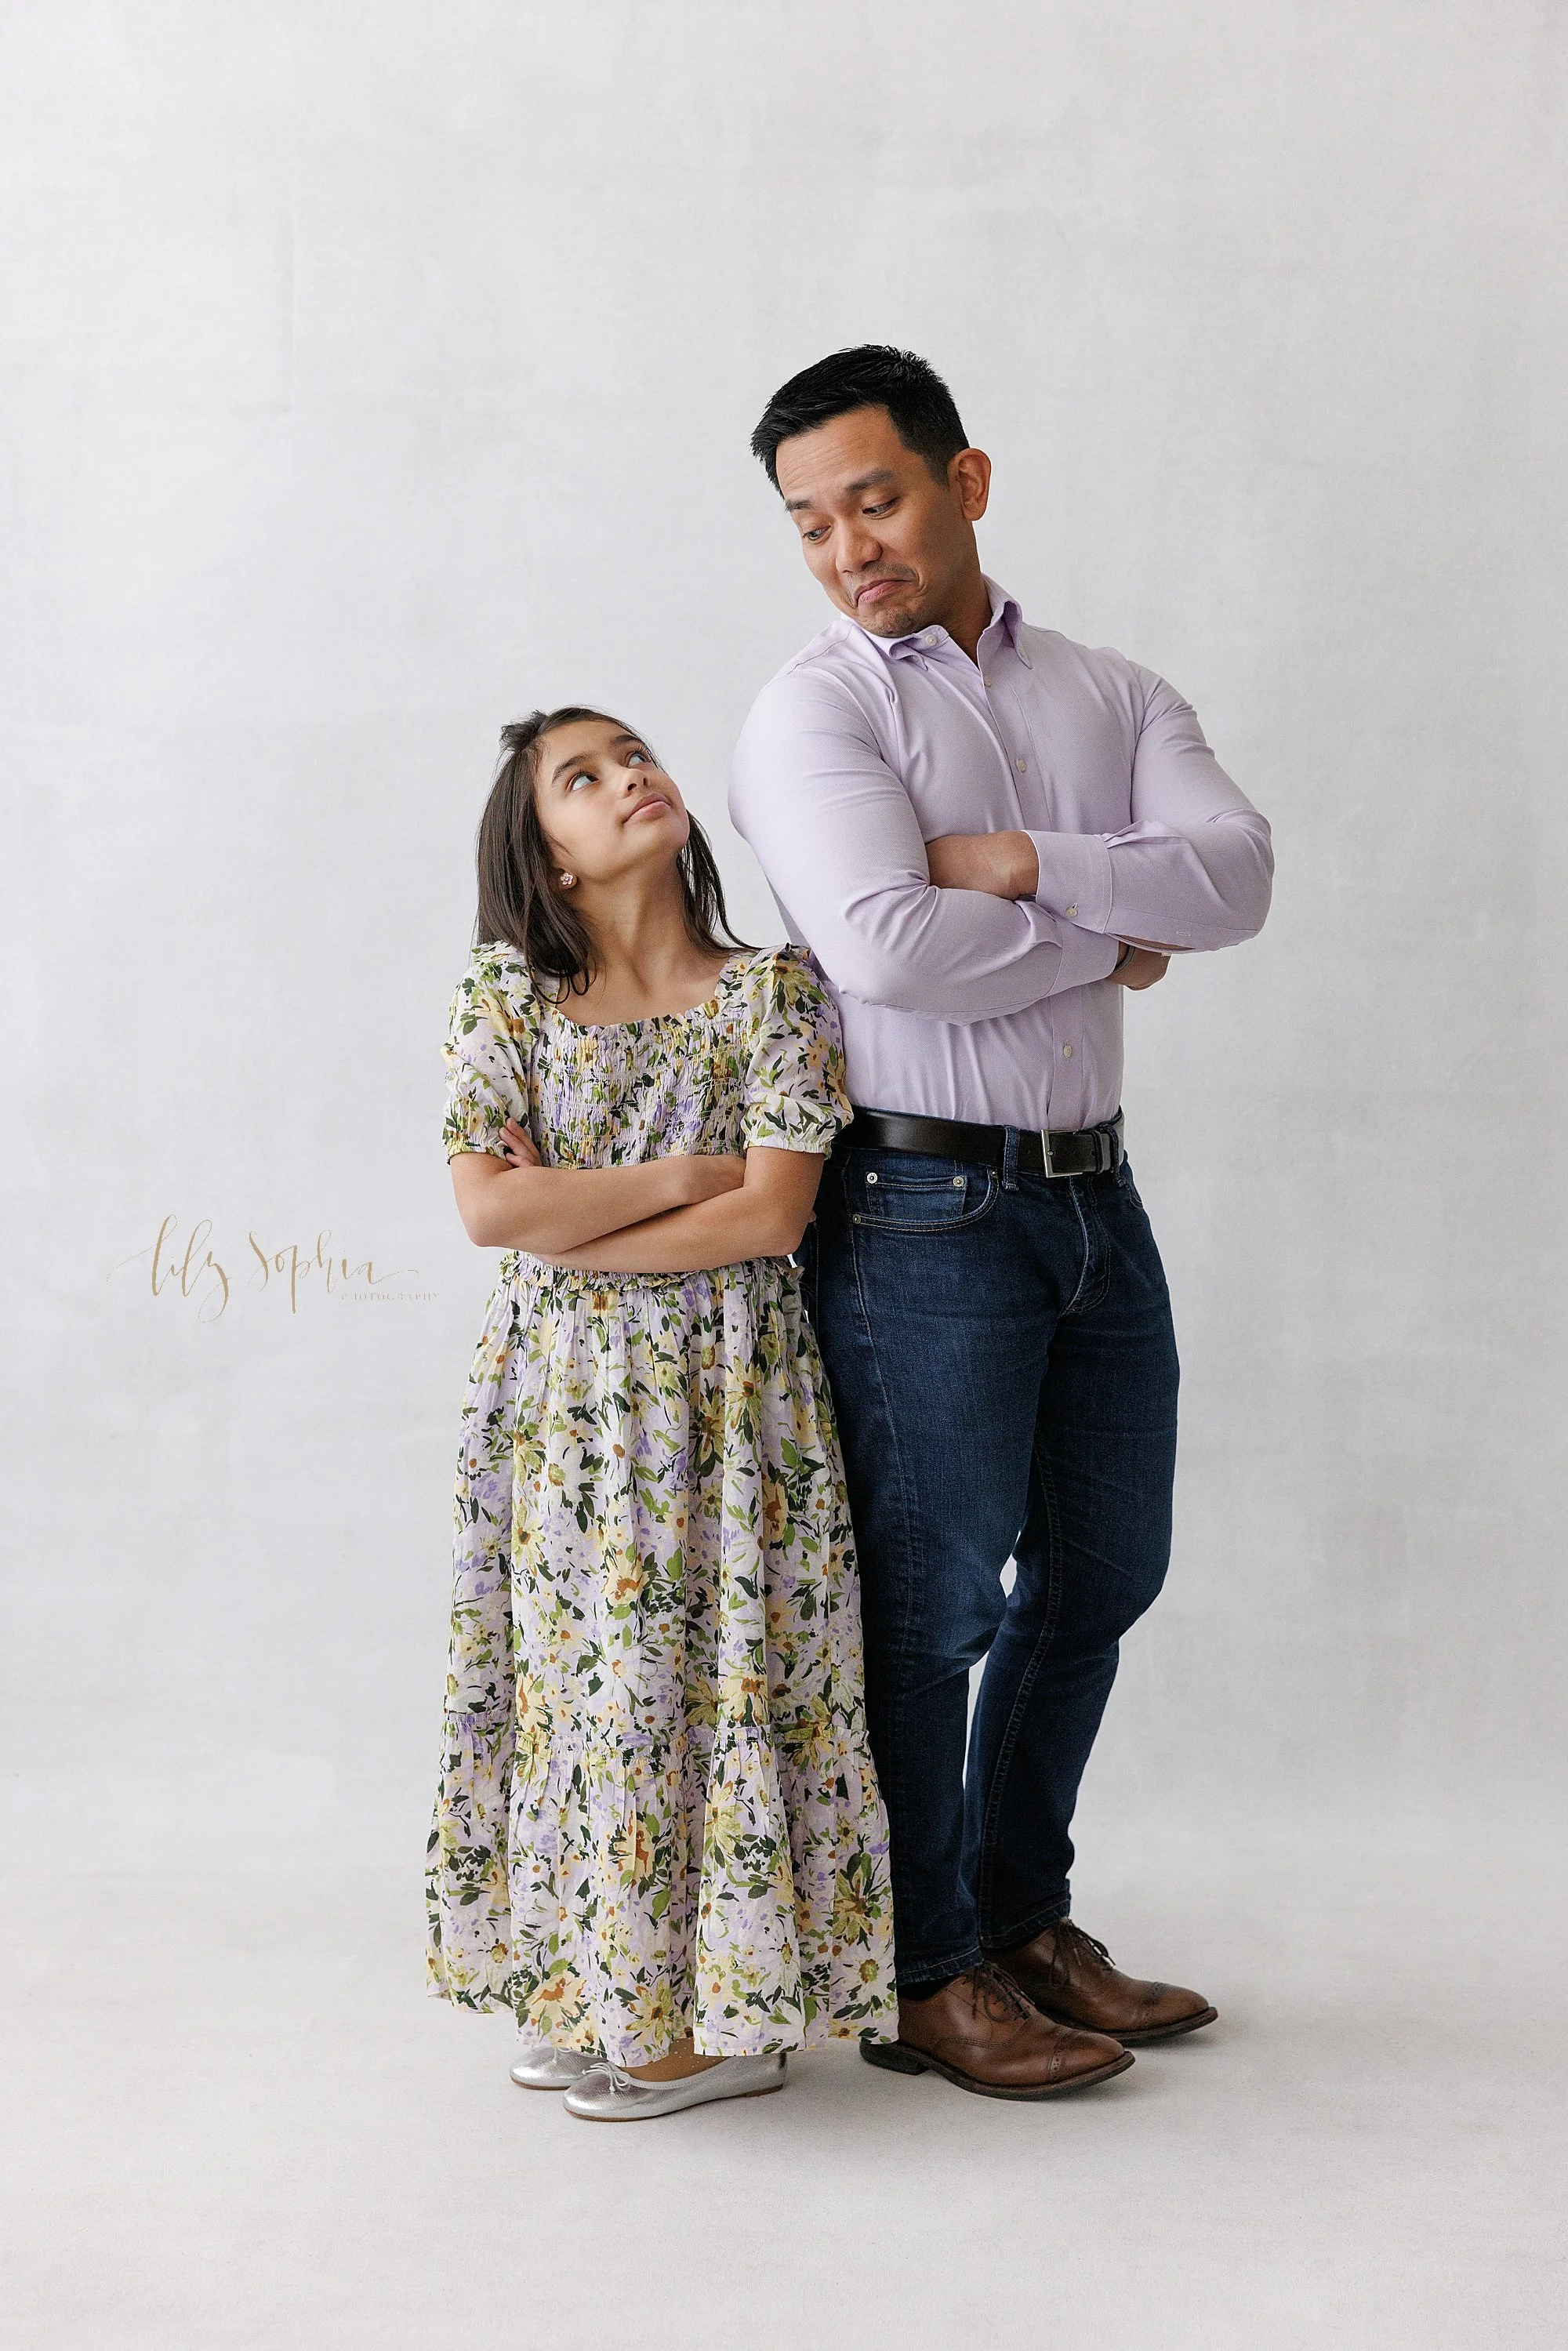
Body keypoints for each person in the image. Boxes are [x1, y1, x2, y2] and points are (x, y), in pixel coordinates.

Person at [730, 346, 1273, 2101]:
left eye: (872, 500)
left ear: (965, 480)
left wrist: (1023, 862)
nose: (845, 548)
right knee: (937, 1599)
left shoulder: (1112, 688)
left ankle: (1024, 1916)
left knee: (1106, 1568)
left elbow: (1238, 873)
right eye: (810, 522)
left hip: (1090, 1191)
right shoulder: (816, 713)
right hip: (916, 1200)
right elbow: (883, 946)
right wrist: (1108, 924)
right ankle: (921, 1967)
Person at [425, 705, 899, 2121]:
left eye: (634, 753)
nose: (630, 776)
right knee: (591, 1690)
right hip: (563, 1419)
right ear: (552, 856)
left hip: (730, 1399)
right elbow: (486, 1205)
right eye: (585, 775)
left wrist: (573, 1225)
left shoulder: (774, 993)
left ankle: (727, 2018)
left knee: (717, 1677)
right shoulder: (502, 994)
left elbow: (773, 1216)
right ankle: (608, 1983)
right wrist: (690, 1172)